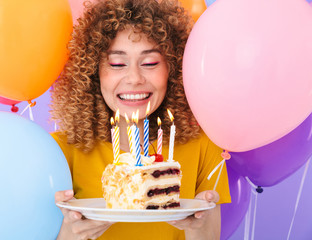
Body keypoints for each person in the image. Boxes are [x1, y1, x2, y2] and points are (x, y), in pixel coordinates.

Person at [50, 0, 231, 239]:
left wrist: (199, 228)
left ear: (173, 69)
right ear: (93, 71)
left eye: (150, 63)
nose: (134, 78)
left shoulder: (204, 146)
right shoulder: (59, 151)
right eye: (117, 63)